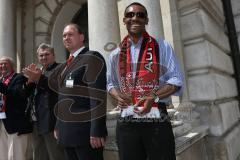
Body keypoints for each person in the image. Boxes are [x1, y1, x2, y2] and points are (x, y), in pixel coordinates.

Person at [107, 2, 183, 160]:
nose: (135, 18)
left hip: (156, 117)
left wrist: (152, 95)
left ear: (146, 20)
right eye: (130, 15)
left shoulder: (162, 46)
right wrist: (118, 95)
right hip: (127, 119)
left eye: (140, 15)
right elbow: (110, 84)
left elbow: (176, 80)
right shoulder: (115, 54)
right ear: (124, 20)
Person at [25, 23, 107, 160]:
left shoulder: (91, 57)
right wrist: (58, 125)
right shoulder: (66, 65)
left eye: (70, 34)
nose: (66, 38)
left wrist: (97, 130)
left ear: (81, 37)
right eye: (64, 35)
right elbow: (61, 96)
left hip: (85, 134)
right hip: (67, 133)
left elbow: (97, 96)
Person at [22, 43, 64, 160]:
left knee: (55, 155)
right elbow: (26, 95)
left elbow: (57, 88)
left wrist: (38, 78)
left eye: (47, 54)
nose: (44, 57)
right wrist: (29, 82)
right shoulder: (37, 70)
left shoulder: (60, 68)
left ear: (53, 55)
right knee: (39, 155)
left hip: (51, 121)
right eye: (41, 55)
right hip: (35, 121)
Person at [0, 56, 33, 160]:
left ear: (12, 65)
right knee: (3, 155)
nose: (2, 66)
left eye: (5, 63)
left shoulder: (19, 78)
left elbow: (16, 95)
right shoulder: (1, 79)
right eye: (1, 64)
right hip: (2, 122)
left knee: (15, 156)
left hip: (15, 123)